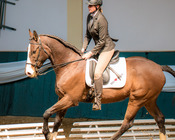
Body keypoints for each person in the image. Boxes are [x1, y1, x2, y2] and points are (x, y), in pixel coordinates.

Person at [81, 0, 117, 110]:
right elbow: (87, 35)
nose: (89, 7)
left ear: (97, 6)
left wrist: (91, 53)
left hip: (106, 49)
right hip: (98, 48)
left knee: (97, 73)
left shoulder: (102, 20)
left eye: (91, 6)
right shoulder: (89, 17)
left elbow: (102, 41)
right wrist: (83, 49)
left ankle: (97, 101)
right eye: (88, 6)